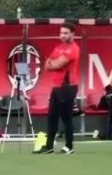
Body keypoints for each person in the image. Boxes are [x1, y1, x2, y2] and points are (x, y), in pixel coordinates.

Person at [34, 22, 81, 155]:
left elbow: (56, 65)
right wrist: (51, 62)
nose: (62, 35)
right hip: (56, 86)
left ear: (72, 34)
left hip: (67, 86)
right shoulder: (59, 47)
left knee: (66, 117)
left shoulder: (73, 49)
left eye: (66, 33)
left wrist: (52, 62)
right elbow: (48, 65)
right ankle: (49, 146)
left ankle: (69, 146)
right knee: (52, 117)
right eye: (61, 33)